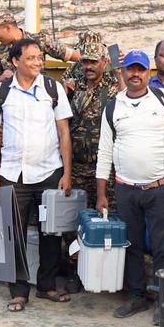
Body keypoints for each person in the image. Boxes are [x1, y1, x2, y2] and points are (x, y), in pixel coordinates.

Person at [95, 50, 164, 318]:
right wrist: (101, 193)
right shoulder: (113, 107)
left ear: (148, 73)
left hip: (159, 187)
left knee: (162, 247)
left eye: (140, 69)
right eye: (131, 69)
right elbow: (104, 151)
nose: (135, 74)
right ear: (123, 72)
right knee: (132, 245)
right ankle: (136, 296)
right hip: (125, 189)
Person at [0, 38, 75, 312]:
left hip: (49, 172)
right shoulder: (1, 92)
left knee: (50, 233)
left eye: (39, 58)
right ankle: (19, 291)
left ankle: (47, 286)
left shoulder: (52, 89)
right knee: (14, 235)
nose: (37, 63)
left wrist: (67, 172)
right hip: (13, 174)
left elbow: (64, 132)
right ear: (15, 61)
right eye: (31, 58)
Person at [66, 32, 120, 204]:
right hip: (77, 168)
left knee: (106, 213)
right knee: (75, 215)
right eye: (85, 62)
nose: (88, 67)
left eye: (93, 62)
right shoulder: (73, 86)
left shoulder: (113, 87)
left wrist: (119, 71)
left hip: (105, 169)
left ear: (104, 62)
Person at [0, 11, 80, 90]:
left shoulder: (40, 40)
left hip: (40, 94)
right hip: (13, 98)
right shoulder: (0, 50)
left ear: (8, 28)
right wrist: (0, 79)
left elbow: (72, 56)